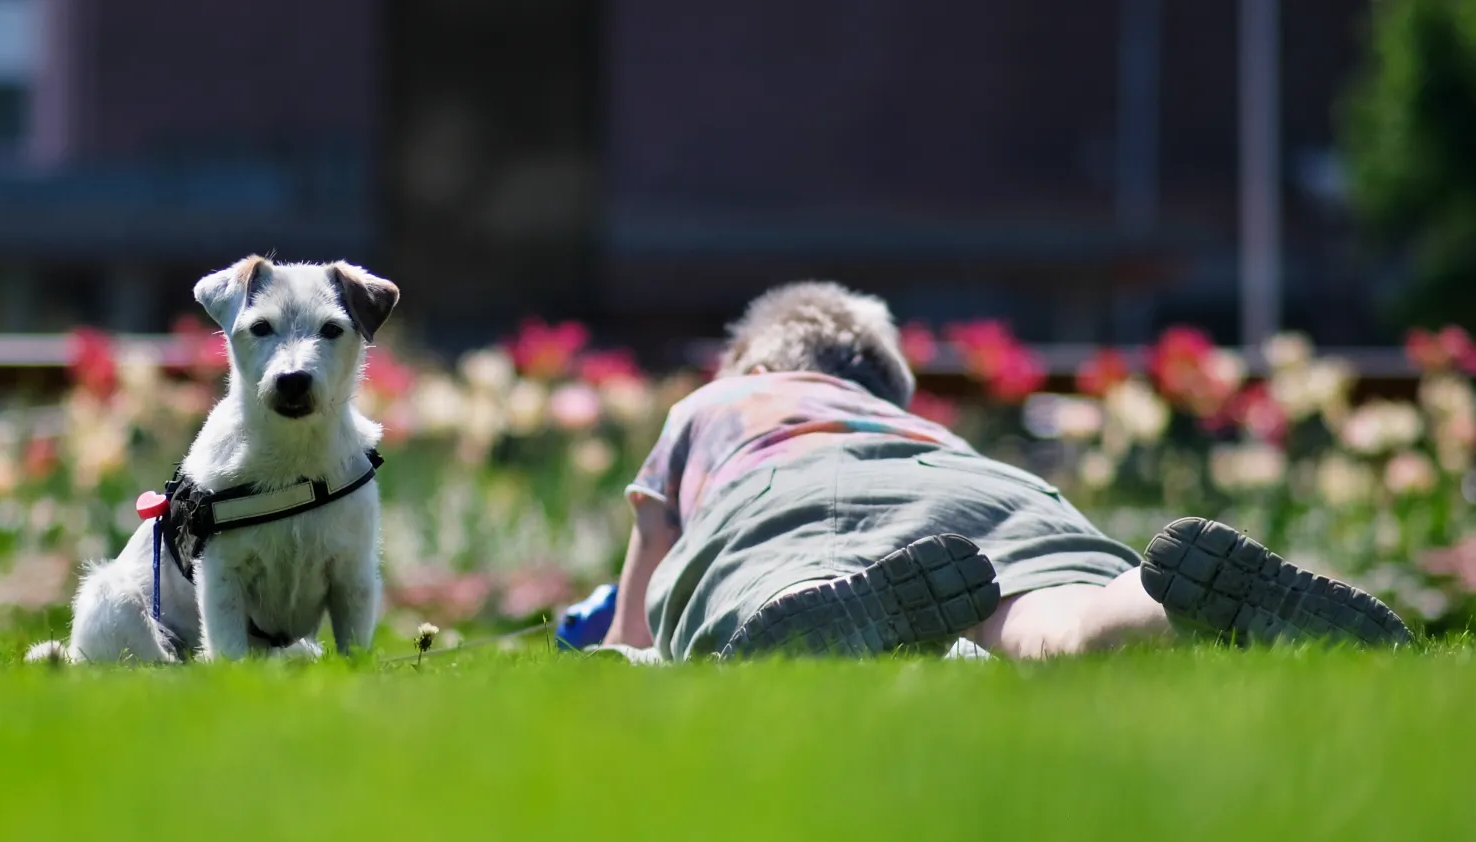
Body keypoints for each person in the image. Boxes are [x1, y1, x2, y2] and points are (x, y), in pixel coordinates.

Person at [599, 282, 1414, 661]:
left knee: (781, 581)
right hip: (986, 497)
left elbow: (634, 624)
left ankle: (798, 624)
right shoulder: (913, 425)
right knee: (1050, 617)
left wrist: (620, 643)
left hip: (790, 495)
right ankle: (1157, 611)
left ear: (749, 360)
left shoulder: (720, 404)